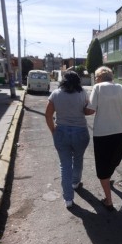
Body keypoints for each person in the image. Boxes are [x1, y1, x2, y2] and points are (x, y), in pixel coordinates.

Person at [85, 66, 122, 211]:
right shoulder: (120, 88)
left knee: (103, 167)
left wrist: (79, 108)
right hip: (119, 133)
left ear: (98, 77)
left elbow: (90, 110)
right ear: (111, 77)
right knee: (114, 159)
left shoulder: (97, 88)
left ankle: (108, 201)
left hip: (102, 135)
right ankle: (108, 180)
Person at [45, 71, 90, 209]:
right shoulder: (83, 93)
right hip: (80, 132)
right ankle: (75, 183)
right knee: (78, 159)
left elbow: (48, 115)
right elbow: (87, 110)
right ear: (78, 81)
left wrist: (53, 130)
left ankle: (68, 199)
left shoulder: (56, 94)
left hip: (62, 132)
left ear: (63, 80)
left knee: (65, 165)